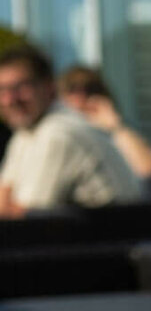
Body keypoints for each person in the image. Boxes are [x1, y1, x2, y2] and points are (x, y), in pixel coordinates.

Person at [0, 44, 138, 218]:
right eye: (2, 89)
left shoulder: (58, 133)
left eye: (21, 87)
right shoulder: (26, 132)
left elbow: (25, 216)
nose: (9, 99)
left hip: (117, 239)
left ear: (49, 87)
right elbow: (4, 201)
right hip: (86, 239)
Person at [57, 65, 151, 188]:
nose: (81, 98)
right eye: (72, 90)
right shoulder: (55, 136)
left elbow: (149, 171)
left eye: (90, 90)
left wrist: (116, 127)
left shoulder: (118, 135)